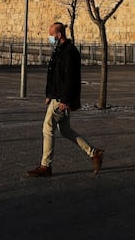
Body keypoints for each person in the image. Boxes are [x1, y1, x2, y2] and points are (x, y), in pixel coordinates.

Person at [27, 22, 104, 177]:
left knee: (47, 127)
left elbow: (70, 78)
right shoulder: (60, 50)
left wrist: (65, 99)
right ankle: (94, 153)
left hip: (62, 98)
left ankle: (45, 166)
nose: (50, 38)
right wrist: (49, 94)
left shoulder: (69, 52)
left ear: (59, 35)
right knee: (66, 130)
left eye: (51, 35)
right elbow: (55, 75)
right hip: (57, 96)